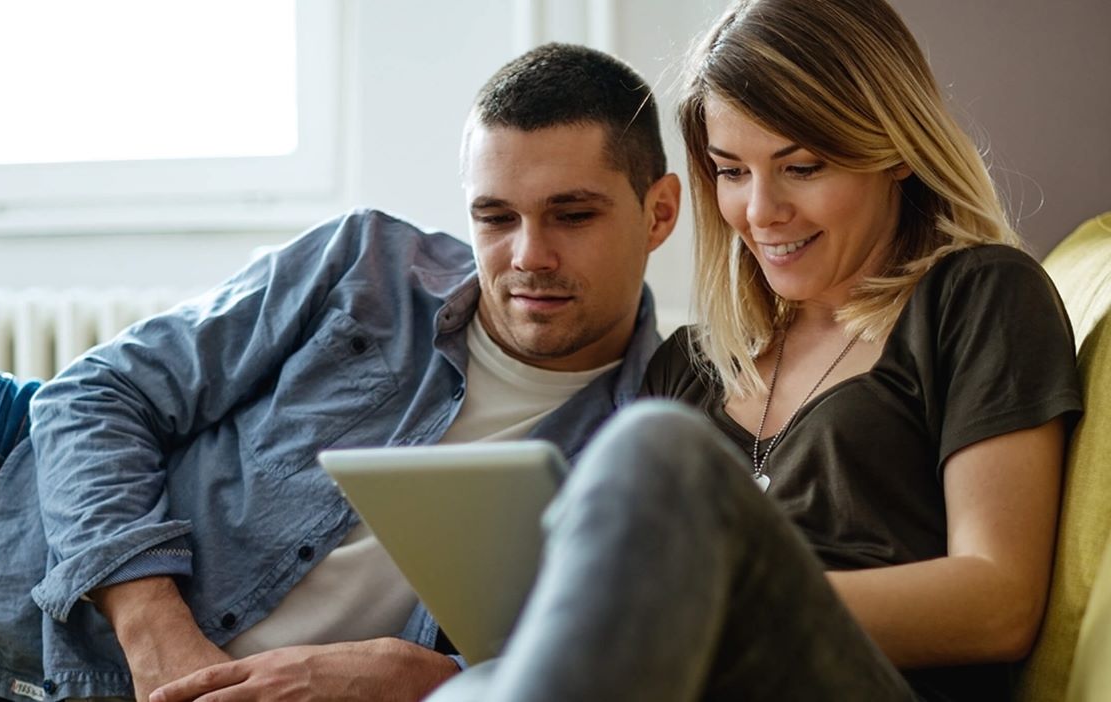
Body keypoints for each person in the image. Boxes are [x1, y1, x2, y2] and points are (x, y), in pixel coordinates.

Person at [0, 43, 681, 701]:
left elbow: (613, 659)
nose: (527, 257)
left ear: (660, 212)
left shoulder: (661, 432)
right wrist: (158, 636)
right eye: (495, 217)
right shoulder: (365, 265)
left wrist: (431, 676)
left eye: (572, 215)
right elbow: (95, 393)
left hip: (26, 671)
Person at [426, 1, 1083, 701]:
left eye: (800, 167)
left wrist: (704, 605)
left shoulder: (979, 296)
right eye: (731, 171)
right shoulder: (691, 366)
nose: (761, 211)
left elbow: (997, 603)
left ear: (892, 151)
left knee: (656, 445)